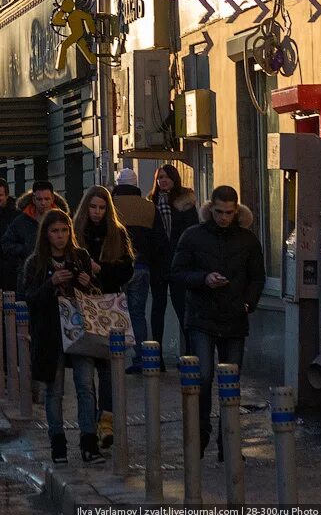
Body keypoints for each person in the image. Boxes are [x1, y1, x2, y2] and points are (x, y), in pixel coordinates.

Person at [172, 186, 265, 460]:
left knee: (230, 382)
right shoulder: (193, 236)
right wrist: (204, 279)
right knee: (202, 377)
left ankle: (229, 443)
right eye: (219, 212)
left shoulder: (247, 240)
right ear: (210, 209)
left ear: (236, 211)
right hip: (202, 316)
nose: (224, 217)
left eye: (229, 213)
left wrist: (248, 303)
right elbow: (177, 273)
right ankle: (200, 435)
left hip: (235, 317)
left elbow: (257, 277)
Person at [20, 209, 104, 464]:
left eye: (65, 231)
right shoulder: (36, 262)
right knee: (54, 390)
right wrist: (51, 282)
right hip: (50, 333)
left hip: (80, 331)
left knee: (86, 387)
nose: (61, 236)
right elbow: (29, 298)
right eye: (55, 231)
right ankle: (58, 442)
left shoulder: (80, 256)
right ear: (46, 234)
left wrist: (86, 281)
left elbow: (95, 296)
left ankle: (89, 441)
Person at [73, 185, 135, 451]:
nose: (97, 212)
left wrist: (100, 269)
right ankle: (88, 430)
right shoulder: (75, 233)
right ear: (86, 208)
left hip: (109, 308)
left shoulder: (117, 234)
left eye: (101, 208)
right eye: (93, 207)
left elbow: (126, 271)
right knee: (85, 377)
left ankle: (107, 424)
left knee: (109, 372)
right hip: (80, 308)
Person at [148, 164, 199, 362]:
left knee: (182, 307)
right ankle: (156, 356)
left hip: (178, 263)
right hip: (158, 263)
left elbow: (191, 231)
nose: (163, 180)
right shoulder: (150, 202)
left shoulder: (185, 201)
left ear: (174, 178)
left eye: (167, 176)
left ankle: (190, 354)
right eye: (160, 177)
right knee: (158, 308)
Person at [111, 168, 159, 374]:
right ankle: (141, 357)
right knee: (138, 314)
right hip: (142, 267)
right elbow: (159, 239)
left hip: (115, 267)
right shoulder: (149, 207)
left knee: (116, 312)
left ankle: (116, 355)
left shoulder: (110, 206)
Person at [3, 180, 69, 279]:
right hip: (28, 276)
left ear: (52, 199)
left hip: (58, 275)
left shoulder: (62, 220)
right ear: (34, 200)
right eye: (39, 199)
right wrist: (26, 249)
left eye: (46, 199)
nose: (43, 203)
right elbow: (6, 243)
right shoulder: (21, 221)